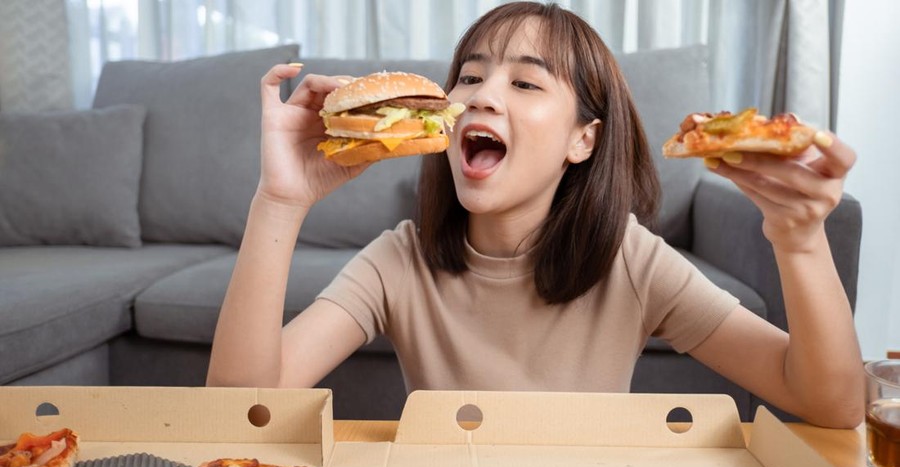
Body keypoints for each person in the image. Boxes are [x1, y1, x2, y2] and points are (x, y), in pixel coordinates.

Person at [207, 2, 863, 428]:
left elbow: (828, 404)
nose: (481, 97)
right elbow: (242, 410)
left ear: (584, 139)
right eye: (469, 77)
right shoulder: (397, 260)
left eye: (524, 82)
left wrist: (800, 242)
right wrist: (279, 201)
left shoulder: (630, 260)